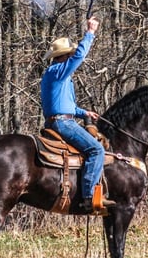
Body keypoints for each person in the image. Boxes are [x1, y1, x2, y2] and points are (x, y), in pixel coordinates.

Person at [40, 17, 115, 213]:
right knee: (96, 150)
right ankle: (89, 197)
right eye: (70, 54)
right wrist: (90, 32)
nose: (72, 56)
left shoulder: (55, 74)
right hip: (63, 124)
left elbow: (66, 106)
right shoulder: (58, 71)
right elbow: (80, 56)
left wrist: (84, 113)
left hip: (60, 120)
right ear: (64, 56)